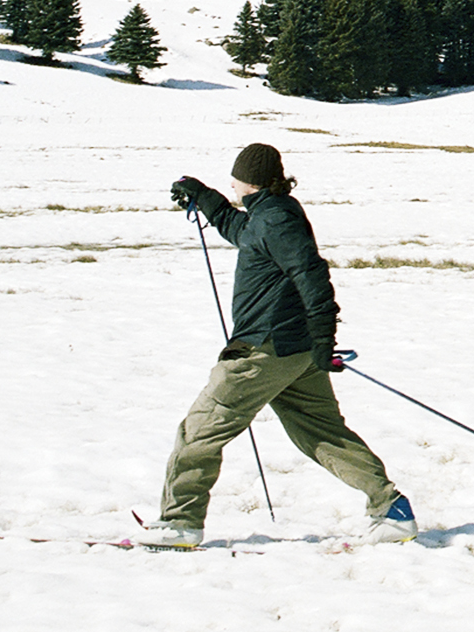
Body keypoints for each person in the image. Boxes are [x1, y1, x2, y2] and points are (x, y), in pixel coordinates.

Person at [145, 141, 419, 548]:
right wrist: (201, 194)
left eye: (233, 181)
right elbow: (235, 226)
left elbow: (311, 275)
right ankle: (389, 508)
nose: (232, 186)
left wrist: (325, 338)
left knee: (200, 431)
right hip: (294, 352)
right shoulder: (270, 214)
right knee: (322, 434)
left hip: (264, 351)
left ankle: (179, 523)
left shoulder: (274, 222)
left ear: (247, 182)